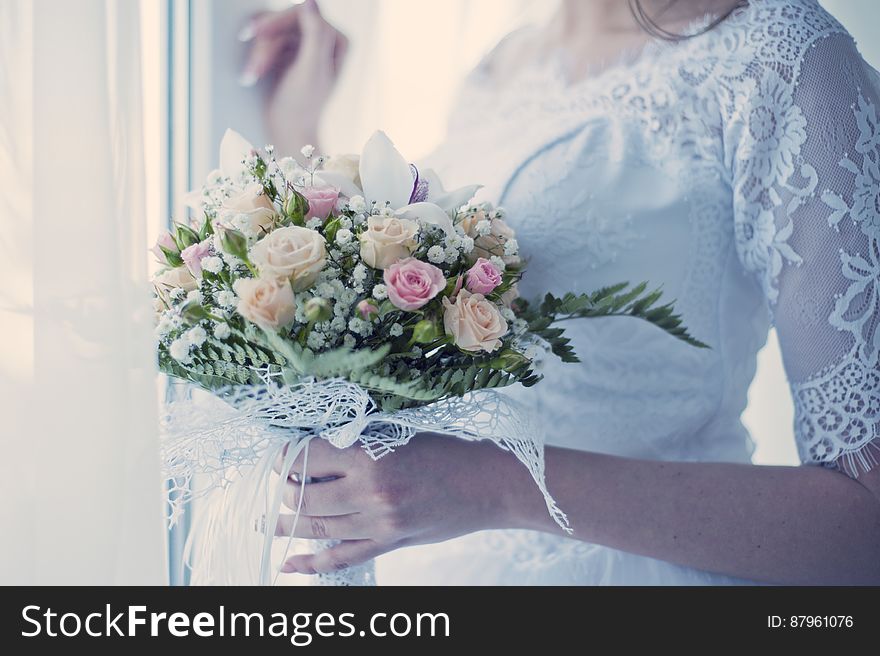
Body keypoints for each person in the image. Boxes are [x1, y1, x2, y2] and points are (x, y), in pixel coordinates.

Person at [240, 0, 880, 585]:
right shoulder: (503, 66)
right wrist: (297, 123)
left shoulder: (782, 58)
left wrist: (499, 485)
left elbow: (864, 522)